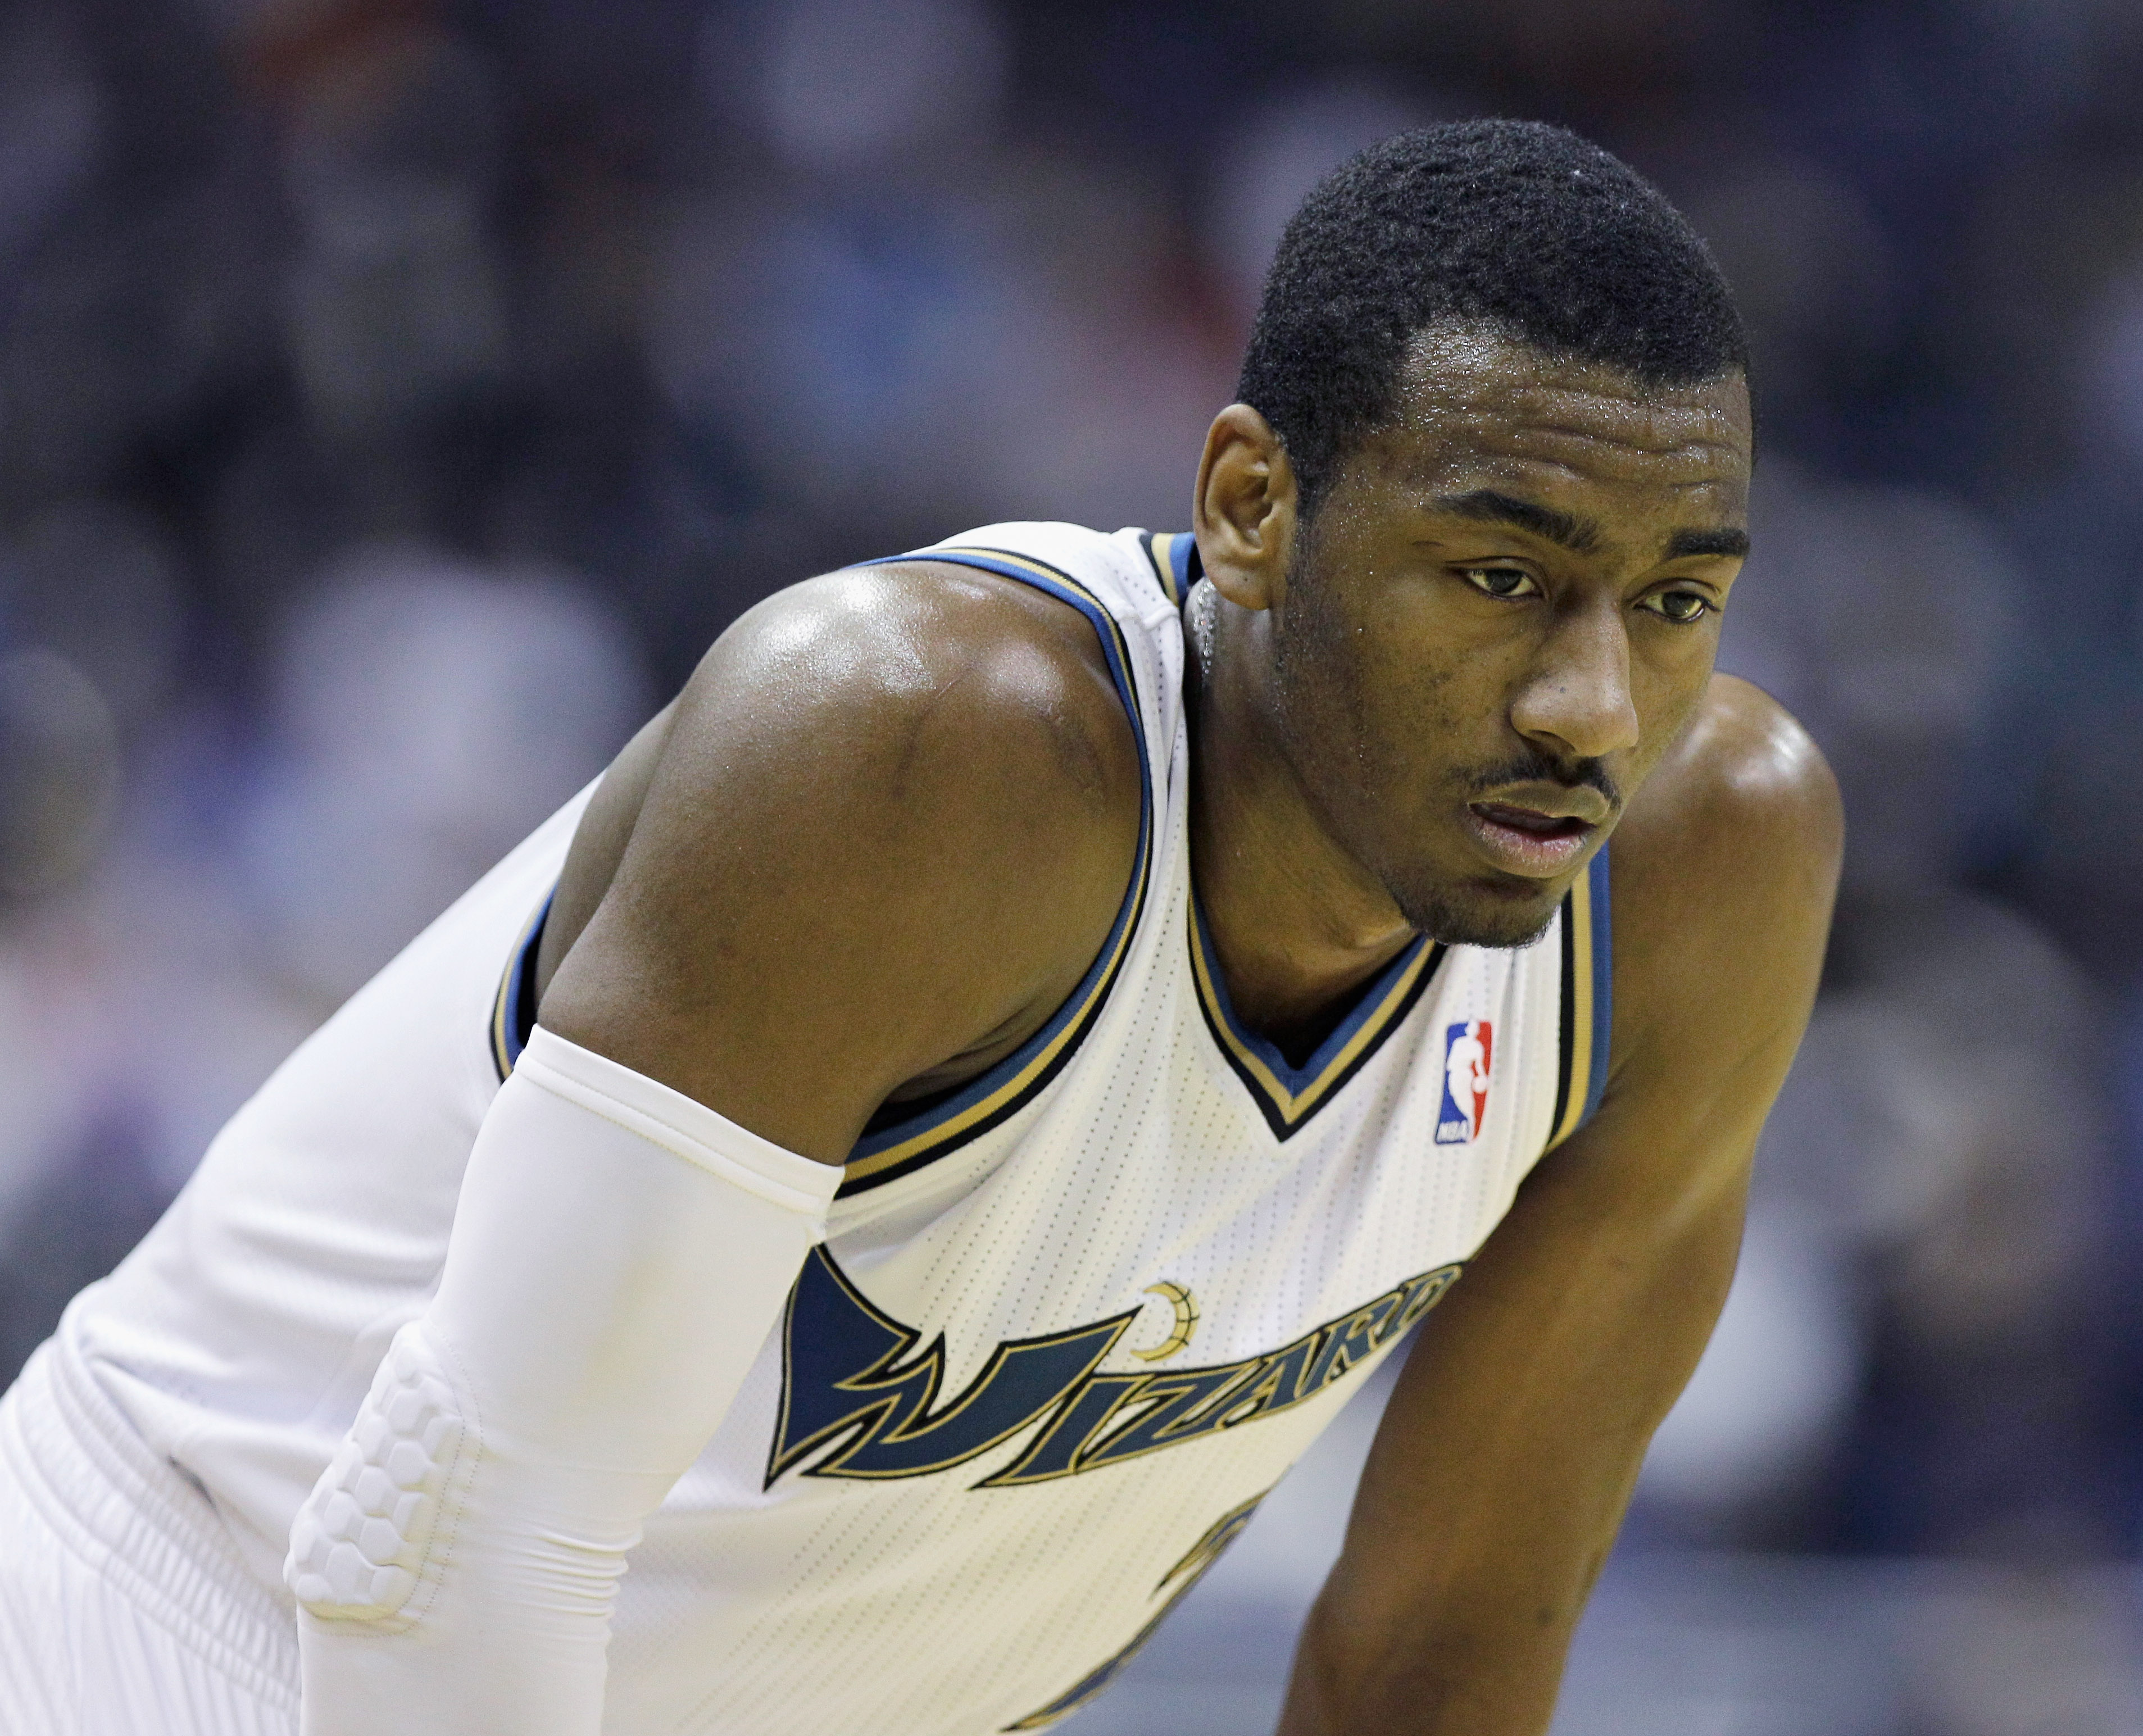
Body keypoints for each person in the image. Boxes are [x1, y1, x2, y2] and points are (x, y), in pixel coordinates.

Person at [0, 120, 1838, 1736]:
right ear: (1253, 505)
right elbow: (455, 1547)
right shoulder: (917, 752)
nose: (1595, 700)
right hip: (208, 1635)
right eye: (1502, 576)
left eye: (1678, 599)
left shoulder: (1699, 876)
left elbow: (1437, 1641)